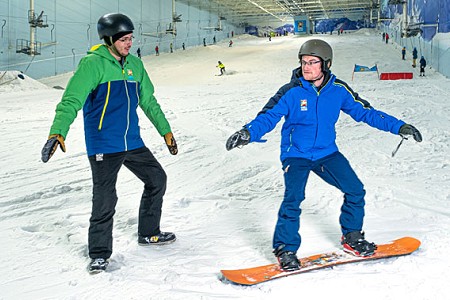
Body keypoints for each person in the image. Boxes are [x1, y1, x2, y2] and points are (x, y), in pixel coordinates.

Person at [225, 39, 422, 272]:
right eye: (303, 62)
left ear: (325, 65)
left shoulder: (338, 90)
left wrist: (399, 127)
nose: (306, 67)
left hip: (326, 153)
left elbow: (365, 112)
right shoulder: (290, 92)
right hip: (296, 154)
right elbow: (267, 116)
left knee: (355, 190)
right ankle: (285, 250)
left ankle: (352, 236)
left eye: (312, 62)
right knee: (293, 199)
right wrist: (247, 133)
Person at [41, 13, 179, 274]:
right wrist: (57, 132)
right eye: (124, 39)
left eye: (130, 38)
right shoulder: (93, 65)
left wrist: (166, 131)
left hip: (132, 141)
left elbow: (148, 101)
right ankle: (99, 254)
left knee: (157, 179)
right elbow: (71, 101)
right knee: (105, 198)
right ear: (109, 39)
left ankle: (149, 233)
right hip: (104, 143)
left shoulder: (135, 65)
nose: (129, 43)